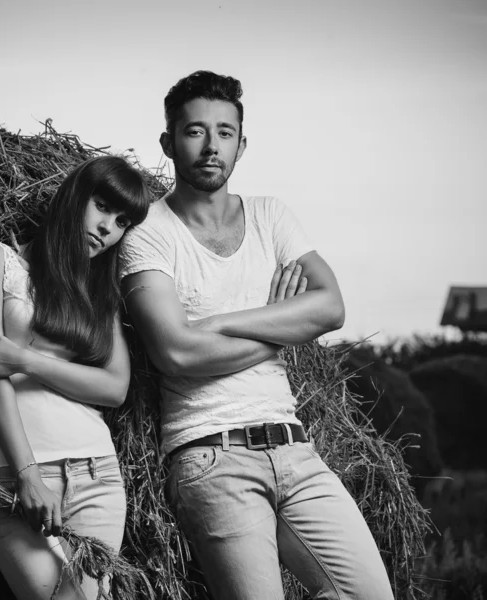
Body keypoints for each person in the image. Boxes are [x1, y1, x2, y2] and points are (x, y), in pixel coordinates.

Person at [119, 71, 394, 600]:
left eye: (224, 132)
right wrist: (281, 324)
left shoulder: (272, 217)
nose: (210, 145)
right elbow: (175, 351)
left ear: (242, 144)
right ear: (168, 143)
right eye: (194, 131)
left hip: (295, 450)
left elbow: (330, 307)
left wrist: (220, 323)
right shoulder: (149, 234)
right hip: (209, 455)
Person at [0, 155, 150, 600]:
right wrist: (27, 475)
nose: (108, 227)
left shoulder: (98, 293)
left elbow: (114, 388)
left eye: (122, 221)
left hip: (97, 474)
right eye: (102, 206)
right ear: (74, 196)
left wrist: (24, 361)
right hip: (12, 475)